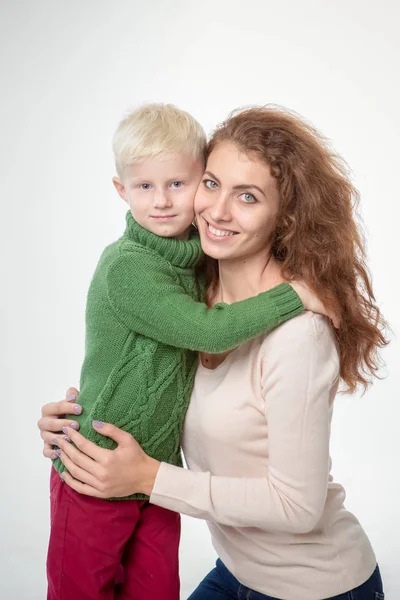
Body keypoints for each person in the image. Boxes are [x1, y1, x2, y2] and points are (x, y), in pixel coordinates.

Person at [39, 106, 387, 600]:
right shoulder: (189, 292)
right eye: (210, 183)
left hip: (313, 586)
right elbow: (139, 369)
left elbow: (299, 507)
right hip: (237, 574)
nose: (217, 211)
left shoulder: (297, 334)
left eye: (247, 196)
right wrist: (74, 424)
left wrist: (150, 477)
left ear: (284, 215)